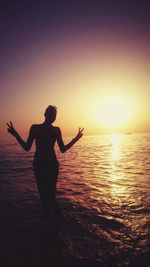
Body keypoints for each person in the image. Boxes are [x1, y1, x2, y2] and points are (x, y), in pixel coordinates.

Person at [7, 105, 84, 222]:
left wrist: (76, 139)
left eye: (54, 115)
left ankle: (59, 220)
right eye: (51, 114)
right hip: (39, 165)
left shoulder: (56, 130)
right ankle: (48, 222)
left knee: (50, 196)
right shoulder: (35, 128)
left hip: (52, 165)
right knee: (43, 196)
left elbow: (62, 149)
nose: (53, 117)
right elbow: (27, 147)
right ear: (45, 114)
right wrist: (15, 134)